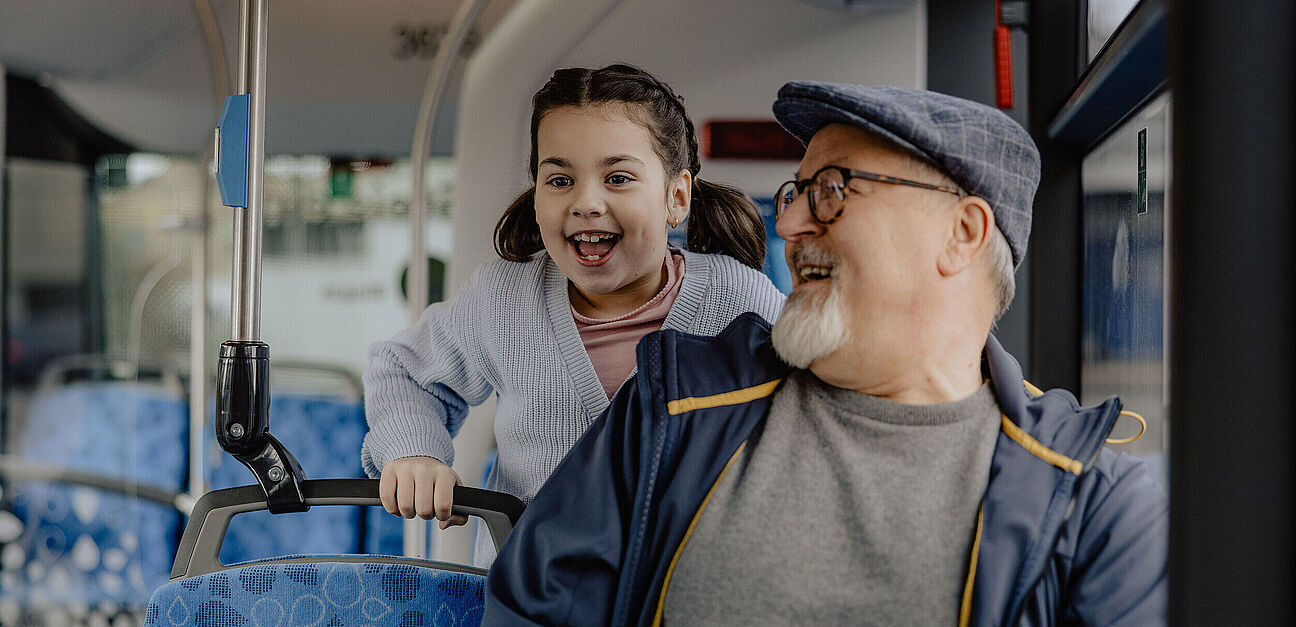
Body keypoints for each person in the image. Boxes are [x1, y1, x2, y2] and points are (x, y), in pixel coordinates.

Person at [483, 83, 1167, 625]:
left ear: (962, 232)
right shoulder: (675, 403)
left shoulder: (1094, 510)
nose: (787, 223)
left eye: (833, 191)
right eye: (795, 191)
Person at [361, 64, 786, 564]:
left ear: (676, 198)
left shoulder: (736, 300)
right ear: (537, 196)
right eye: (560, 179)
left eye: (618, 178)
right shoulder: (506, 297)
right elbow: (405, 370)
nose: (586, 202)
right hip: (530, 599)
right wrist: (417, 452)